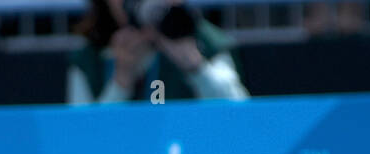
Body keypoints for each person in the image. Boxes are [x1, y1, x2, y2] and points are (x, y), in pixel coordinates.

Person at [67, 0, 249, 104]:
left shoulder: (205, 40)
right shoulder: (89, 57)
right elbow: (82, 137)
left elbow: (243, 116)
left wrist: (196, 68)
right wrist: (120, 84)